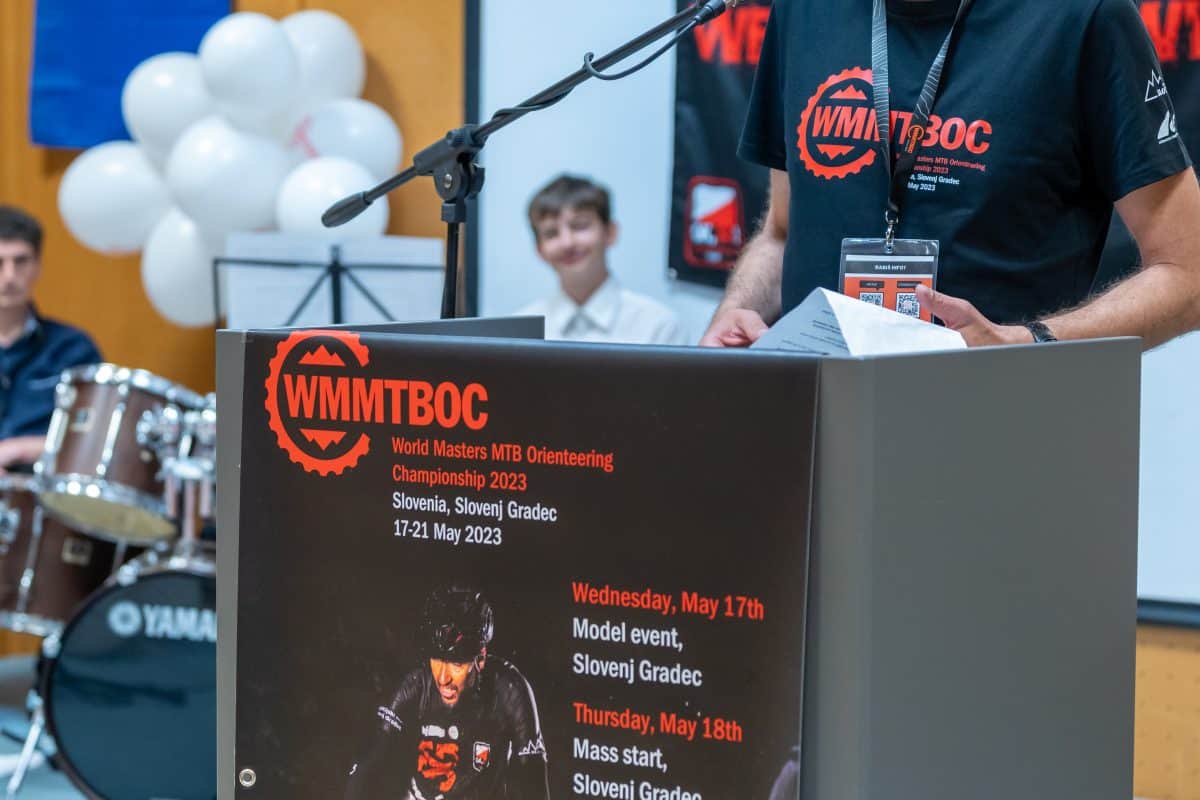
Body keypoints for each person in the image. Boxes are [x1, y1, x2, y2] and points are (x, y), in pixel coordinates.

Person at [700, 0, 1200, 351]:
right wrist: (736, 312)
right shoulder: (803, 10)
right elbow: (781, 233)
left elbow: (1188, 276)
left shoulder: (1085, 15)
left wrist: (1024, 343)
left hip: (1002, 425)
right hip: (818, 420)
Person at [345, 586, 550, 800]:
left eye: (456, 663)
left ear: (480, 658)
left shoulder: (510, 689)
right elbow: (368, 762)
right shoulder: (415, 683)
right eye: (436, 659)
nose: (443, 678)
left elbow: (533, 779)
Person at [519, 174, 688, 346]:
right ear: (539, 249)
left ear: (610, 232)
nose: (567, 243)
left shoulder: (658, 327)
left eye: (580, 226)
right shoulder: (518, 335)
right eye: (551, 233)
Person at [0, 206, 100, 472]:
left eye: (20, 261)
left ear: (37, 266)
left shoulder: (73, 349)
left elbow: (94, 434)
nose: (9, 276)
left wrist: (20, 449)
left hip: (43, 488)